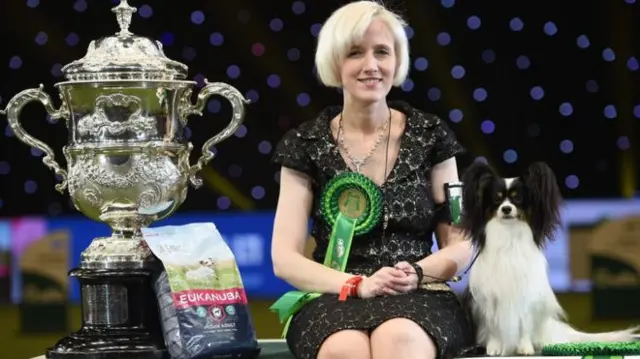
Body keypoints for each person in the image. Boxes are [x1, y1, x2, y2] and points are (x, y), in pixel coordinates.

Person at [270, 1, 476, 358]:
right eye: (355, 53)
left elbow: (461, 243)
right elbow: (284, 259)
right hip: (335, 292)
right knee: (343, 348)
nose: (371, 66)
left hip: (418, 292)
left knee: (399, 339)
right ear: (335, 62)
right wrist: (357, 284)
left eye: (382, 52)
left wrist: (416, 271)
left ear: (397, 61)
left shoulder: (432, 136)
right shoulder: (304, 144)